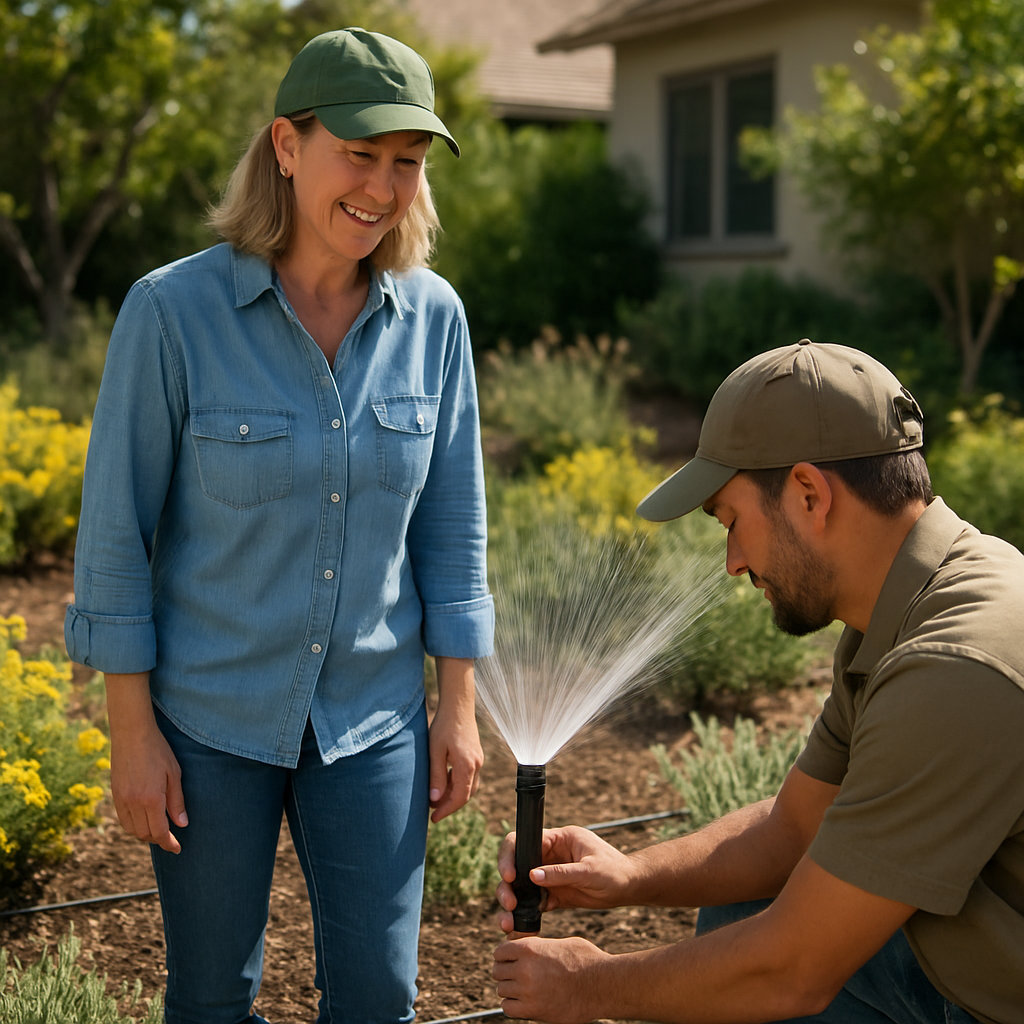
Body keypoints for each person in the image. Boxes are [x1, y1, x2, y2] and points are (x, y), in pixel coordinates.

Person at [65, 27, 493, 1024]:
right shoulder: (171, 313)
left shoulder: (434, 320)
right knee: (212, 997)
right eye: (360, 154)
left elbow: (453, 522)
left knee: (382, 996)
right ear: (286, 146)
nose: (383, 187)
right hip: (208, 717)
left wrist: (458, 705)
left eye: (406, 163)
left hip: (374, 715)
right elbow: (115, 534)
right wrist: (132, 733)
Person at [493, 338, 1024, 1024]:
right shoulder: (907, 606)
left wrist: (586, 985)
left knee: (762, 963)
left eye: (732, 522)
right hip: (970, 967)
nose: (732, 562)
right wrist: (624, 877)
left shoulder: (951, 668)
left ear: (808, 493)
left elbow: (792, 973)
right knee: (745, 909)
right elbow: (794, 828)